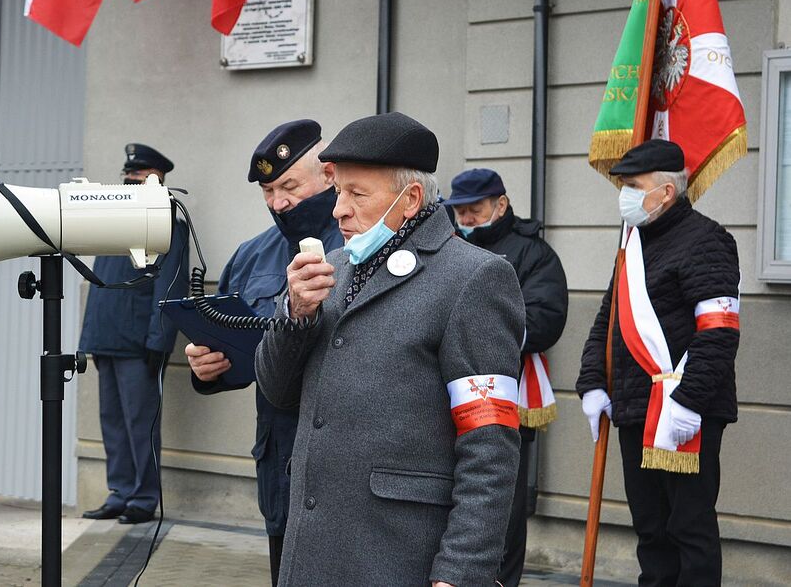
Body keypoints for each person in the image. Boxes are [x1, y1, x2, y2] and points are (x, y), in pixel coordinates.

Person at [255, 111, 525, 586]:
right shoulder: (328, 268)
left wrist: (461, 572)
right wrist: (295, 314)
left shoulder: (473, 278)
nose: (338, 209)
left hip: (400, 556)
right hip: (313, 551)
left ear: (411, 199)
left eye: (357, 194)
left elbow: (489, 446)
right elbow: (277, 391)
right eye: (338, 191)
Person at [184, 119, 342, 586]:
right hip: (280, 457)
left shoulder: (361, 243)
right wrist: (207, 368)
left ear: (329, 175)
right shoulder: (251, 255)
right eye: (269, 191)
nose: (279, 202)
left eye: (289, 185)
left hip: (345, 457)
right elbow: (239, 351)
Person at [576, 139, 740, 586]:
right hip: (633, 407)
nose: (624, 195)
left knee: (688, 529)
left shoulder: (707, 240)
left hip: (684, 411)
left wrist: (688, 401)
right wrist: (592, 383)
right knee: (651, 531)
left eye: (633, 185)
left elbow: (719, 331)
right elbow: (608, 321)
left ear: (666, 192)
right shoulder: (633, 244)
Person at [446, 168, 568, 587]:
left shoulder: (534, 254)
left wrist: (473, 330)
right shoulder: (449, 246)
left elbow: (546, 320)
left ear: (501, 204)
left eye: (475, 211)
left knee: (503, 514)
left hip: (506, 403)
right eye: (459, 212)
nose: (466, 220)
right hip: (447, 400)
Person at [79, 143, 189, 525]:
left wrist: (159, 342)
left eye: (139, 175)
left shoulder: (168, 223)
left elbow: (170, 287)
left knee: (140, 425)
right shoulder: (113, 220)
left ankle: (142, 498)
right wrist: (87, 339)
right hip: (107, 339)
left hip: (137, 345)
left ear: (158, 179)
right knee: (112, 421)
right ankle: (120, 491)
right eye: (128, 174)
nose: (130, 179)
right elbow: (99, 285)